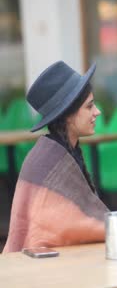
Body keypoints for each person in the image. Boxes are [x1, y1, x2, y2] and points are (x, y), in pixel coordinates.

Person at [3, 61, 109, 253]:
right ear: (68, 115)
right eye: (89, 106)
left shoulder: (61, 150)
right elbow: (66, 225)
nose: (97, 112)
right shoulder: (47, 161)